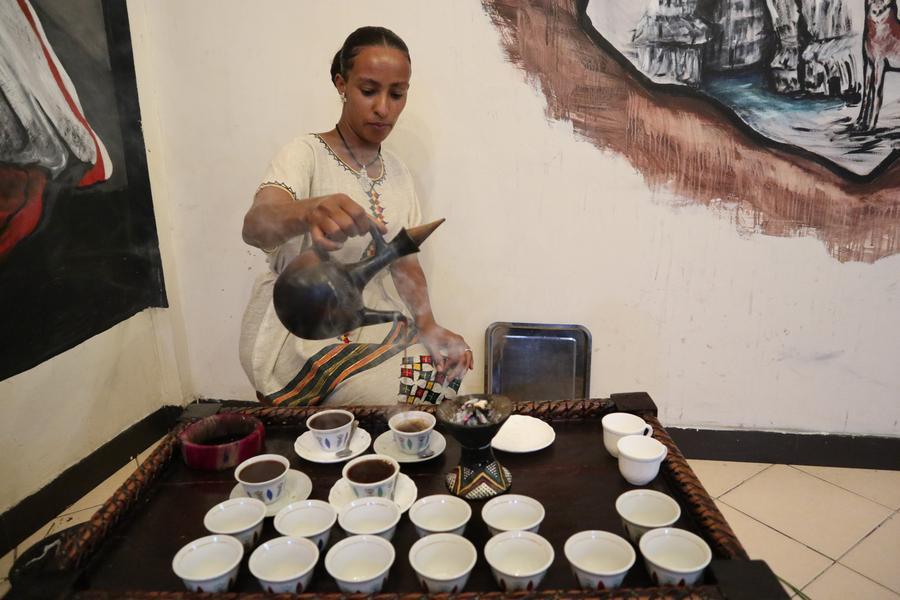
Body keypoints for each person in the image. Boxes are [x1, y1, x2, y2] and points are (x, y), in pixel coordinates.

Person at [240, 26, 472, 407]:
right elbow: (255, 225)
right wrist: (308, 210)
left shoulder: (398, 173)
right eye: (369, 91)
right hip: (302, 331)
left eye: (396, 94)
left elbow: (404, 262)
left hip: (367, 324)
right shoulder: (305, 153)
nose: (383, 108)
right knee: (404, 400)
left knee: (447, 373)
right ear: (341, 84)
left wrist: (429, 325)